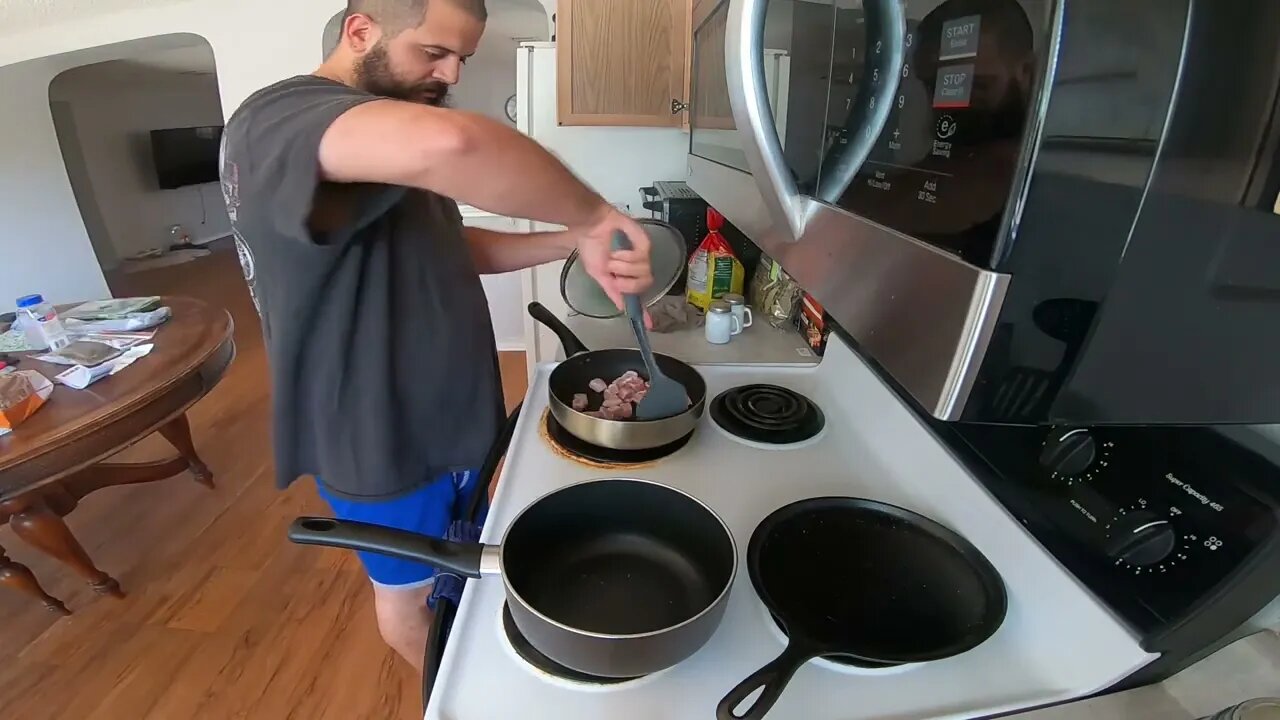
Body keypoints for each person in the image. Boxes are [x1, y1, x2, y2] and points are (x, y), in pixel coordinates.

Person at [218, 0, 654, 672]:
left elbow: (449, 245)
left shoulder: (375, 146)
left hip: (448, 417)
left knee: (462, 567)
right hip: (378, 435)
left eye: (462, 59)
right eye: (433, 52)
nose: (449, 73)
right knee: (409, 603)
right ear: (361, 30)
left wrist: (571, 242)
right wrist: (595, 216)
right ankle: (461, 696)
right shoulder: (281, 115)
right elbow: (457, 142)